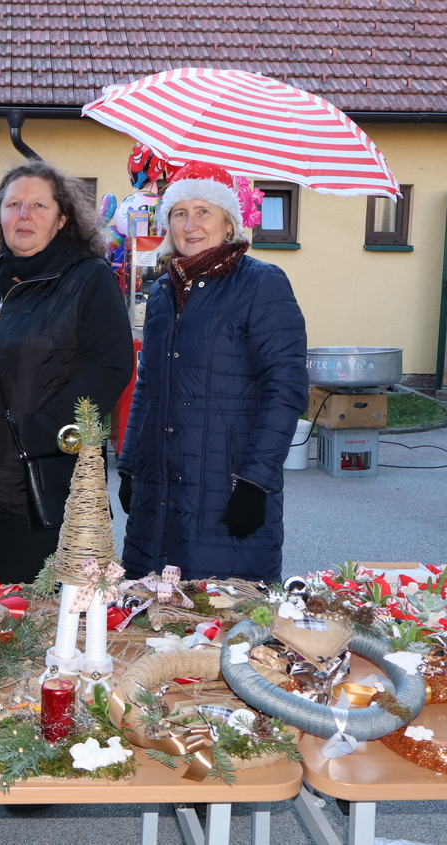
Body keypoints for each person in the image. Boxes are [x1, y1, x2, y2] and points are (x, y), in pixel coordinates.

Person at [0, 161, 134, 585]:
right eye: (13, 204)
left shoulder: (87, 277)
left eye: (39, 205)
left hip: (37, 483)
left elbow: (110, 365)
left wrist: (41, 432)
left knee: (33, 612)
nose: (24, 215)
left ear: (62, 218)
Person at [117, 162, 308, 584]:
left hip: (227, 483)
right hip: (159, 488)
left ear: (229, 221)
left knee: (221, 610)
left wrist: (256, 482)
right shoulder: (163, 291)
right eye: (179, 213)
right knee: (154, 610)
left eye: (204, 211)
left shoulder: (261, 284)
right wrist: (129, 464)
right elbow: (147, 385)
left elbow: (286, 389)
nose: (191, 225)